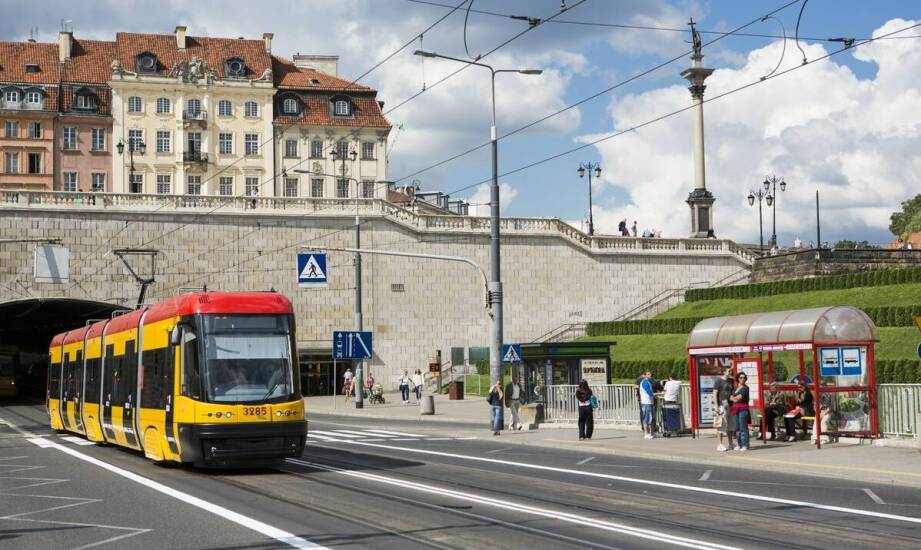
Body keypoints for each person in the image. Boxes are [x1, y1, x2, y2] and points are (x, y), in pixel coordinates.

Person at [712, 367, 735, 452]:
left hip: (730, 405)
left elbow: (732, 393)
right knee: (721, 424)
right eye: (729, 371)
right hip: (721, 405)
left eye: (730, 371)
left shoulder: (731, 381)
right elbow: (715, 393)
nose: (730, 372)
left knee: (730, 425)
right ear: (724, 372)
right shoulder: (718, 381)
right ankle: (720, 444)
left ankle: (731, 443)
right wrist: (716, 406)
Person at [730, 373, 751, 451]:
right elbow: (731, 397)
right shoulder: (735, 388)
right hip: (735, 409)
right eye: (741, 377)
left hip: (743, 409)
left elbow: (738, 398)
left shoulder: (746, 388)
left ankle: (745, 445)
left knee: (743, 427)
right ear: (738, 379)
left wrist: (734, 398)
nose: (742, 379)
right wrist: (734, 398)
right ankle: (739, 444)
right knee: (737, 428)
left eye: (744, 377)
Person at [639, 370, 656, 439]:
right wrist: (659, 394)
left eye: (650, 374)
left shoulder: (648, 382)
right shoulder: (645, 382)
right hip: (646, 402)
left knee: (651, 418)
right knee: (647, 418)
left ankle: (651, 433)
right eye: (648, 374)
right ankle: (646, 433)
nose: (650, 375)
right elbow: (649, 392)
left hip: (650, 402)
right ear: (645, 375)